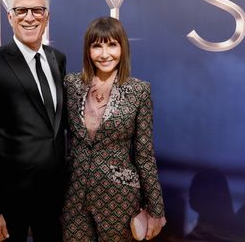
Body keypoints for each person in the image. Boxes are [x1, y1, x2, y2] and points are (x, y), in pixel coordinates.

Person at [0, 0, 67, 242]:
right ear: (10, 17)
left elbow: (56, 127)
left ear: (47, 17)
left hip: (54, 198)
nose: (29, 18)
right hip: (10, 202)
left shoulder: (58, 59)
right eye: (21, 10)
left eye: (37, 10)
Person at [61, 16, 166, 241]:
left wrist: (156, 209)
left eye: (112, 44)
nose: (104, 53)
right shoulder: (71, 85)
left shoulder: (139, 91)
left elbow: (145, 155)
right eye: (97, 45)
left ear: (123, 48)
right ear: (88, 50)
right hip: (74, 196)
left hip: (119, 198)